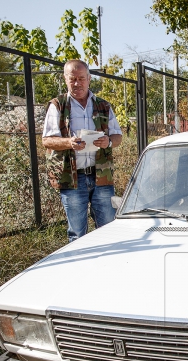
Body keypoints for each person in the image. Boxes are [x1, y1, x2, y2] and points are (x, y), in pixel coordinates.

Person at [42, 59, 123, 242]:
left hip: (101, 177)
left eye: (81, 78)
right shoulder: (58, 106)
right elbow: (47, 140)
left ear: (89, 78)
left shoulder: (103, 105)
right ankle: (80, 267)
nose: (77, 83)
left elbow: (118, 136)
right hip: (72, 179)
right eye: (72, 79)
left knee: (109, 228)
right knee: (77, 233)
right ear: (65, 79)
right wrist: (68, 142)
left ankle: (109, 264)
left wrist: (108, 141)